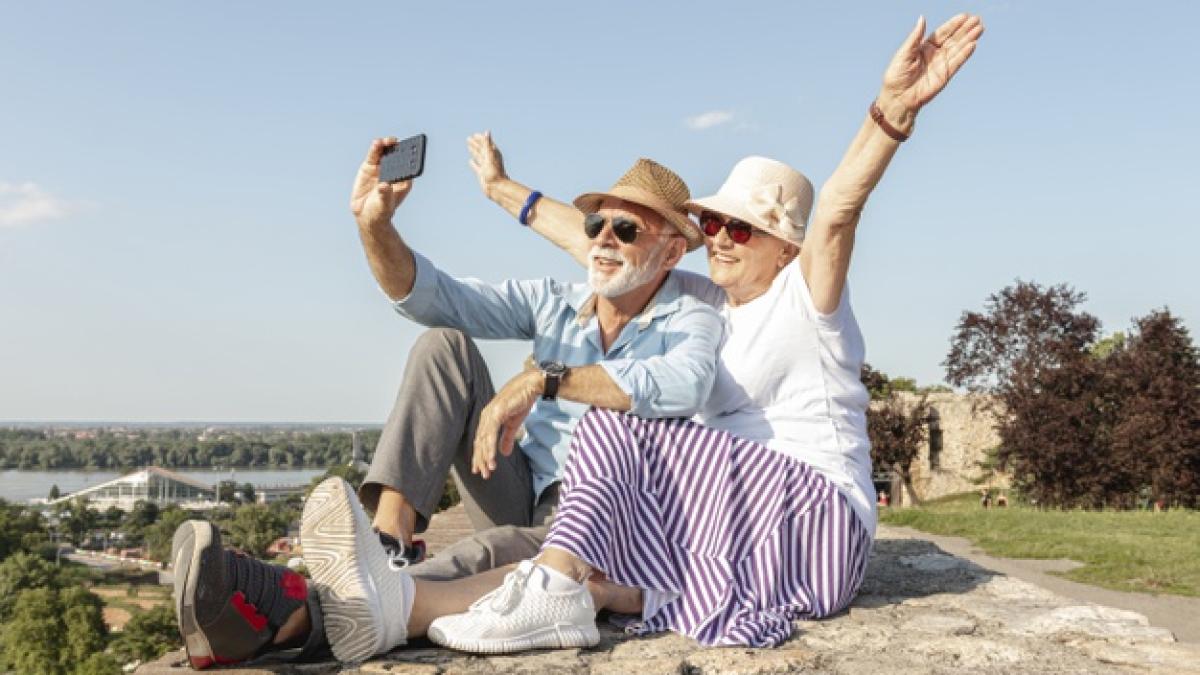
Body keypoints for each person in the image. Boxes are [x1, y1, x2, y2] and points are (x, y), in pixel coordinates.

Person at [419, 13, 984, 653]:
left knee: (617, 415)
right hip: (747, 540)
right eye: (713, 224)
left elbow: (837, 214)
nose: (719, 238)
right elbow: (601, 242)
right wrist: (501, 190)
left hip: (817, 521)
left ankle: (549, 588)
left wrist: (891, 111)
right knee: (608, 542)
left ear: (785, 250)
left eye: (741, 230)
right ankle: (413, 607)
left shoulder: (807, 298)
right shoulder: (705, 298)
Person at [171, 143, 723, 667]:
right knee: (444, 346)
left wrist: (545, 381)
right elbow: (429, 295)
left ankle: (300, 616)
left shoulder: (691, 317)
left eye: (626, 229)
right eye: (595, 224)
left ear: (672, 250)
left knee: (495, 549)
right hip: (522, 483)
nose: (604, 239)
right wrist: (375, 226)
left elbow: (684, 384)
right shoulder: (556, 304)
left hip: (603, 517)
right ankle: (388, 545)